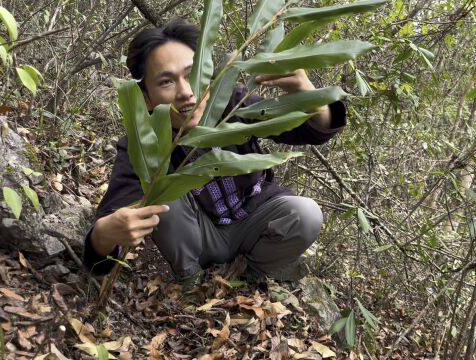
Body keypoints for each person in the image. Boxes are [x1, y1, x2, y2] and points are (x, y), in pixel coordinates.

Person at [82, 19, 346, 290]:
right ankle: (190, 282)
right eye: (165, 82)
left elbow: (311, 131)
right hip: (198, 240)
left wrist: (310, 97)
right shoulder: (142, 142)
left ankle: (246, 277)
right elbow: (110, 224)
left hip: (251, 219)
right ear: (146, 98)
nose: (186, 93)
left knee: (306, 214)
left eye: (192, 74)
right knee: (161, 191)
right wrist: (105, 233)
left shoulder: (232, 104)